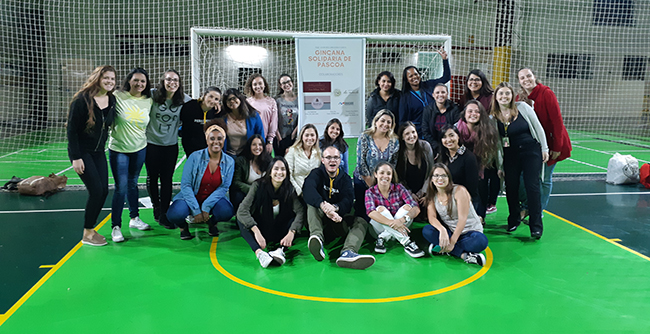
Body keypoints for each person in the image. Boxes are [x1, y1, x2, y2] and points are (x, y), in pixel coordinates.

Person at [491, 82, 548, 239]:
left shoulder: (522, 107)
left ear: (512, 95)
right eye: (501, 93)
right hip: (510, 155)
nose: (504, 96)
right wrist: (500, 165)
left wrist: (545, 149)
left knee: (532, 186)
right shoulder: (493, 117)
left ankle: (536, 226)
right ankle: (514, 219)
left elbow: (538, 128)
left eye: (507, 93)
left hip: (531, 151)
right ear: (496, 97)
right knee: (511, 187)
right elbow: (497, 145)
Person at [67, 65, 116, 246]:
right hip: (82, 152)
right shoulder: (82, 100)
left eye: (112, 79)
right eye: (106, 78)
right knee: (95, 190)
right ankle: (87, 233)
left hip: (98, 152)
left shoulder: (111, 100)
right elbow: (71, 131)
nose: (109, 81)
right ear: (97, 78)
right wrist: (76, 157)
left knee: (103, 190)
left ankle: (90, 229)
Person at [303, 146, 375, 269]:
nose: (332, 161)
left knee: (361, 222)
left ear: (340, 160)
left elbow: (348, 200)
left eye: (336, 157)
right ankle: (317, 240)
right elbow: (308, 190)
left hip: (338, 220)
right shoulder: (316, 173)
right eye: (328, 157)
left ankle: (348, 252)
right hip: (320, 221)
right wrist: (323, 205)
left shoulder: (345, 179)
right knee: (312, 204)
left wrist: (335, 209)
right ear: (322, 160)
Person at [166, 119, 234, 240]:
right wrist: (196, 210)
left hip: (213, 198)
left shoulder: (229, 162)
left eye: (220, 138)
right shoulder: (194, 157)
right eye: (212, 138)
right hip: (190, 197)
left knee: (227, 212)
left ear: (224, 140)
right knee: (174, 214)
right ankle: (183, 227)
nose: (216, 142)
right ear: (206, 139)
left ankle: (212, 223)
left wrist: (206, 207)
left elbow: (223, 187)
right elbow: (186, 185)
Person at [517, 67, 572, 211]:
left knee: (545, 179)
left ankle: (539, 211)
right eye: (522, 78)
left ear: (534, 77)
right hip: (532, 145)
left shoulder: (546, 93)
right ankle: (527, 206)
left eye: (528, 76)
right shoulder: (519, 99)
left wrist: (557, 147)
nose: (526, 80)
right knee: (524, 177)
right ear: (519, 82)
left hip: (552, 142)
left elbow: (557, 121)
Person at [108, 68, 153, 243]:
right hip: (119, 148)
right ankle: (116, 226)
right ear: (129, 81)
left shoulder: (148, 100)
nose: (139, 84)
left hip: (140, 147)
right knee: (121, 187)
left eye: (143, 81)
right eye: (136, 80)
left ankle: (134, 218)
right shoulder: (117, 96)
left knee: (133, 183)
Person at [237, 157, 304, 268]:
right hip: (261, 229)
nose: (279, 172)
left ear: (286, 173)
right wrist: (256, 231)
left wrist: (292, 232)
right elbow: (242, 211)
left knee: (294, 222)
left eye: (283, 169)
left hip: (279, 231)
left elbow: (300, 212)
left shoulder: (289, 189)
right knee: (242, 221)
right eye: (276, 169)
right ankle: (260, 254)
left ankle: (280, 250)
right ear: (270, 172)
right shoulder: (257, 186)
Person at [146, 69, 191, 229]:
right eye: (169, 79)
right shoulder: (152, 95)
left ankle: (165, 213)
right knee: (152, 177)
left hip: (170, 146)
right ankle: (156, 207)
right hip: (151, 144)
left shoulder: (184, 99)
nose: (172, 83)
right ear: (163, 81)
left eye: (176, 80)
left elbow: (201, 106)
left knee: (167, 180)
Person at [422, 163, 488, 266]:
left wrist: (452, 242)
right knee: (427, 230)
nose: (440, 178)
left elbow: (462, 219)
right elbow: (432, 217)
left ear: (449, 178)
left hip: (469, 232)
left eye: (444, 175)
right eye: (436, 175)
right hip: (450, 232)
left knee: (481, 241)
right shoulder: (432, 195)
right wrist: (442, 230)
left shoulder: (459, 191)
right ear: (431, 179)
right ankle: (464, 255)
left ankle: (444, 248)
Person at [458, 69, 498, 214]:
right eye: (471, 80)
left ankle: (490, 203)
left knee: (490, 174)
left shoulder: (490, 98)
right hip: (471, 146)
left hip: (487, 140)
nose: (473, 82)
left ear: (482, 81)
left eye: (477, 79)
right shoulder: (464, 98)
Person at [365, 162, 424, 257]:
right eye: (382, 173)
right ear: (376, 174)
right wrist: (391, 223)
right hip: (381, 227)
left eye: (388, 173)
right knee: (380, 209)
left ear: (392, 176)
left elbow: (415, 208)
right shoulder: (370, 192)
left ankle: (382, 238)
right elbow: (371, 212)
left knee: (408, 207)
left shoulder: (399, 188)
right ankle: (407, 242)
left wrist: (402, 220)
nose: (385, 176)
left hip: (402, 225)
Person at [455, 101, 501, 218]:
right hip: (461, 166)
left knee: (481, 190)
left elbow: (492, 152)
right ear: (464, 113)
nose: (473, 114)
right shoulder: (456, 128)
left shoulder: (488, 130)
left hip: (481, 167)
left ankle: (480, 217)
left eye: (477, 111)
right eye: (470, 111)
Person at [353, 109, 399, 222]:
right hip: (363, 180)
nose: (385, 124)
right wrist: (371, 184)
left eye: (389, 122)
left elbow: (392, 164)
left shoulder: (394, 141)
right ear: (376, 121)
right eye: (382, 121)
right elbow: (361, 163)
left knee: (380, 211)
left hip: (383, 182)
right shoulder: (365, 137)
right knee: (363, 213)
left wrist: (382, 183)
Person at [399, 48, 451, 133]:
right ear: (407, 80)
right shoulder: (405, 97)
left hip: (435, 129)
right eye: (411, 76)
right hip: (418, 133)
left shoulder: (429, 85)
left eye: (416, 74)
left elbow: (446, 77)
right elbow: (402, 120)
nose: (414, 77)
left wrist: (445, 60)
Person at [436, 125, 480, 212]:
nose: (448, 140)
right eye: (444, 137)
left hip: (465, 200)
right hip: (446, 199)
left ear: (458, 136)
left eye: (451, 135)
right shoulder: (442, 157)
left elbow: (472, 187)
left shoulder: (469, 157)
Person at [395, 122, 434, 206]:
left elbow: (431, 171)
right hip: (406, 194)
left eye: (413, 132)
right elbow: (398, 178)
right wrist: (409, 193)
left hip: (425, 192)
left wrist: (424, 191)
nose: (411, 136)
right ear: (402, 137)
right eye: (407, 134)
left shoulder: (425, 147)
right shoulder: (399, 152)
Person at [231, 134, 272, 211]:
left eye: (260, 145)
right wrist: (252, 190)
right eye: (254, 145)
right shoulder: (241, 160)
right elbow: (236, 182)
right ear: (249, 146)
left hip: (261, 194)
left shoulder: (269, 161)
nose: (257, 147)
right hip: (245, 192)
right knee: (238, 196)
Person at [220, 88, 265, 156]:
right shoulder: (223, 117)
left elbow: (260, 135)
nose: (232, 101)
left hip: (247, 155)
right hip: (228, 155)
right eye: (228, 100)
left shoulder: (253, 115)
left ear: (240, 98)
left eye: (234, 98)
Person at [180, 86, 221, 157]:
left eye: (216, 99)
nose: (212, 100)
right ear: (204, 95)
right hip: (191, 147)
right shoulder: (190, 106)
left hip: (209, 149)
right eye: (210, 96)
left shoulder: (217, 112)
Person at [421, 83, 460, 153]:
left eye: (443, 92)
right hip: (433, 146)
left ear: (447, 94)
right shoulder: (428, 109)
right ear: (433, 95)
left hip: (450, 143)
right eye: (437, 92)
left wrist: (449, 142)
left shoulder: (454, 108)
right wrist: (436, 146)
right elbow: (425, 130)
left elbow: (456, 129)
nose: (440, 95)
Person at [284, 124, 321, 197]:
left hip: (313, 192)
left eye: (312, 135)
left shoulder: (319, 153)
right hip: (295, 192)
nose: (310, 138)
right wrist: (299, 191)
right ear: (302, 137)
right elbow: (288, 174)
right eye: (307, 135)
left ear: (316, 137)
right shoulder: (292, 151)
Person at [245, 73, 277, 154]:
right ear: (251, 87)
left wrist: (270, 141)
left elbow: (273, 122)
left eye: (260, 83)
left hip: (265, 140)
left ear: (264, 85)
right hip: (250, 140)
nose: (258, 86)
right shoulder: (247, 102)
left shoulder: (271, 101)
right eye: (255, 84)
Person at [274, 74, 298, 157]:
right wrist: (279, 138)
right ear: (281, 86)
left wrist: (293, 135)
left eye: (288, 81)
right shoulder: (277, 100)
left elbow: (302, 118)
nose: (287, 84)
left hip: (295, 138)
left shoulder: (299, 99)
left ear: (292, 83)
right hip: (280, 137)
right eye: (284, 83)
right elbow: (274, 119)